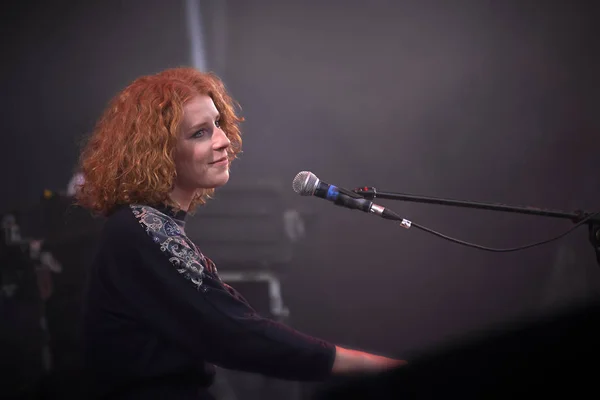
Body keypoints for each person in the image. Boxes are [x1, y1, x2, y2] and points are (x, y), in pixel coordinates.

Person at [76, 67, 405, 399]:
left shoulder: (147, 225)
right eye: (199, 133)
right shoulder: (140, 230)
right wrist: (368, 365)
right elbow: (236, 333)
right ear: (157, 152)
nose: (223, 140)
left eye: (217, 124)